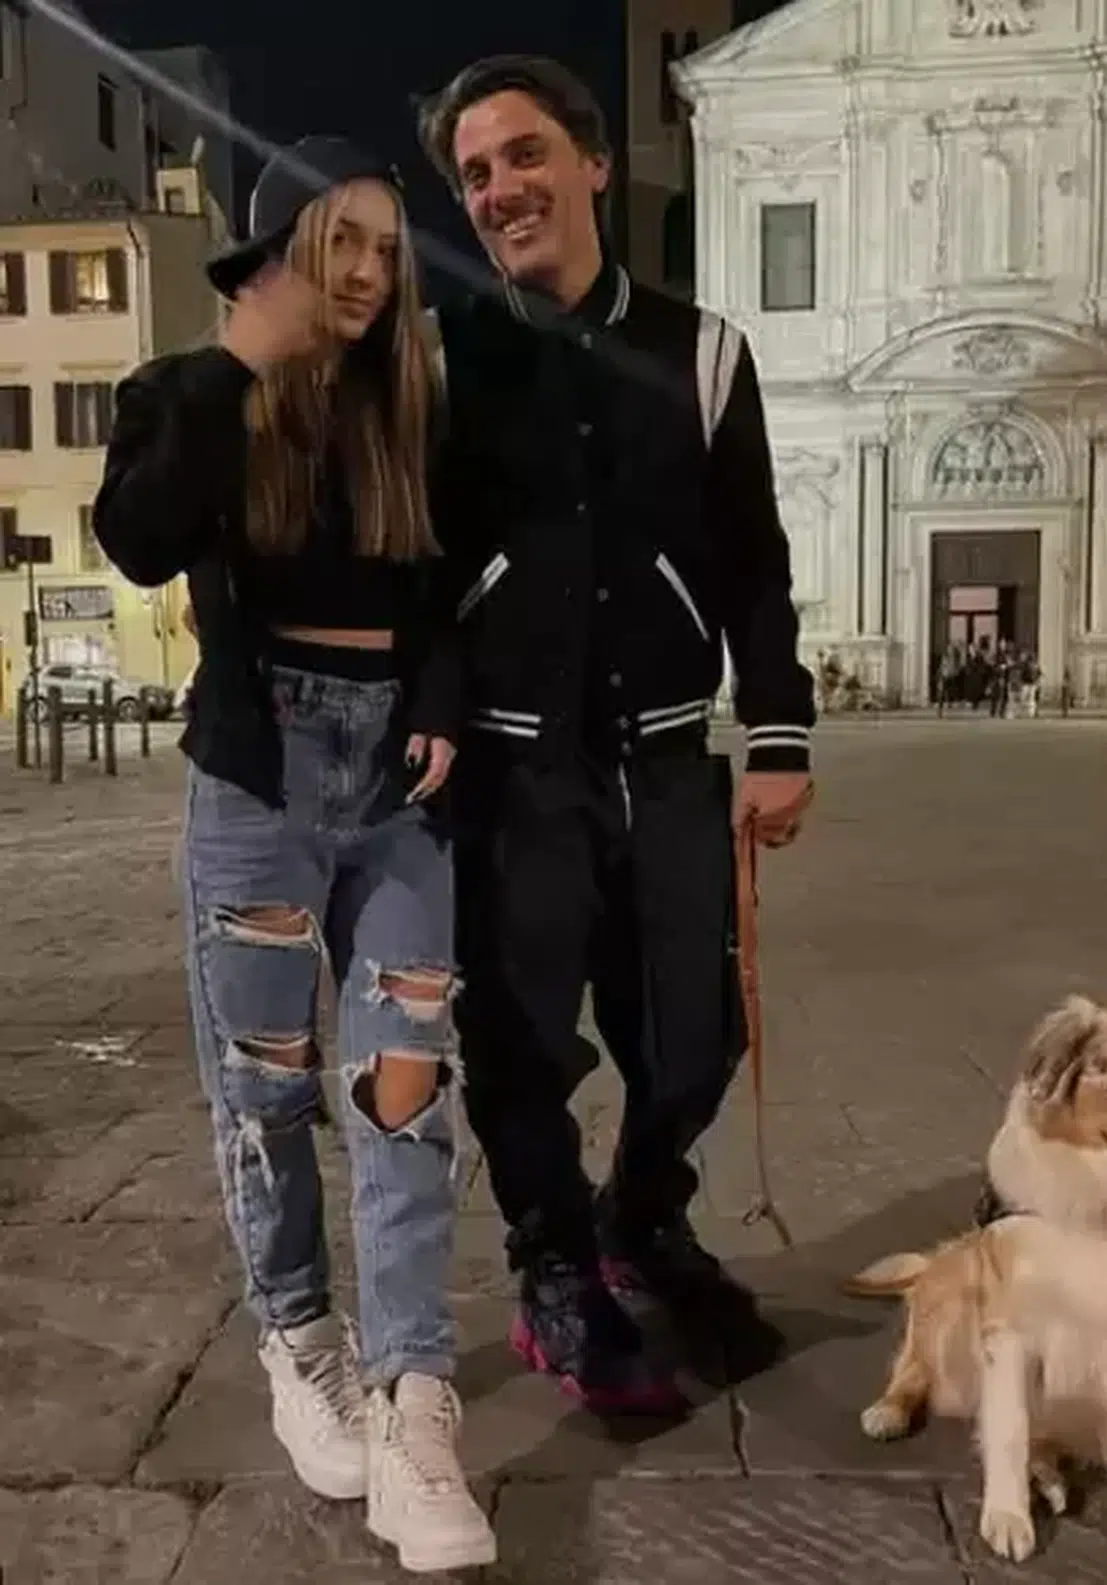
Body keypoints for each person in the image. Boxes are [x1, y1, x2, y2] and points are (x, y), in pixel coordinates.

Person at [92, 136, 495, 1575]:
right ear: (281, 250)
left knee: (404, 1092)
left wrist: (438, 696)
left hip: (401, 786)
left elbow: (444, 592)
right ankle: (300, 1342)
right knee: (264, 1093)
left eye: (389, 248)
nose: (373, 272)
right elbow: (139, 540)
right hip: (260, 778)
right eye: (346, 243)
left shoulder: (407, 409)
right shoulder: (187, 395)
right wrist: (240, 358)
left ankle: (413, 1398)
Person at [419, 57, 816, 1411]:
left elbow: (755, 558)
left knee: (696, 1036)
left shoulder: (703, 354)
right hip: (514, 768)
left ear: (594, 164)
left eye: (524, 154)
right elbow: (416, 563)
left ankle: (642, 1217)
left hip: (669, 759)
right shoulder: (443, 359)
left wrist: (779, 731)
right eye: (475, 174)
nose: (500, 189)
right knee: (521, 1041)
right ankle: (552, 1260)